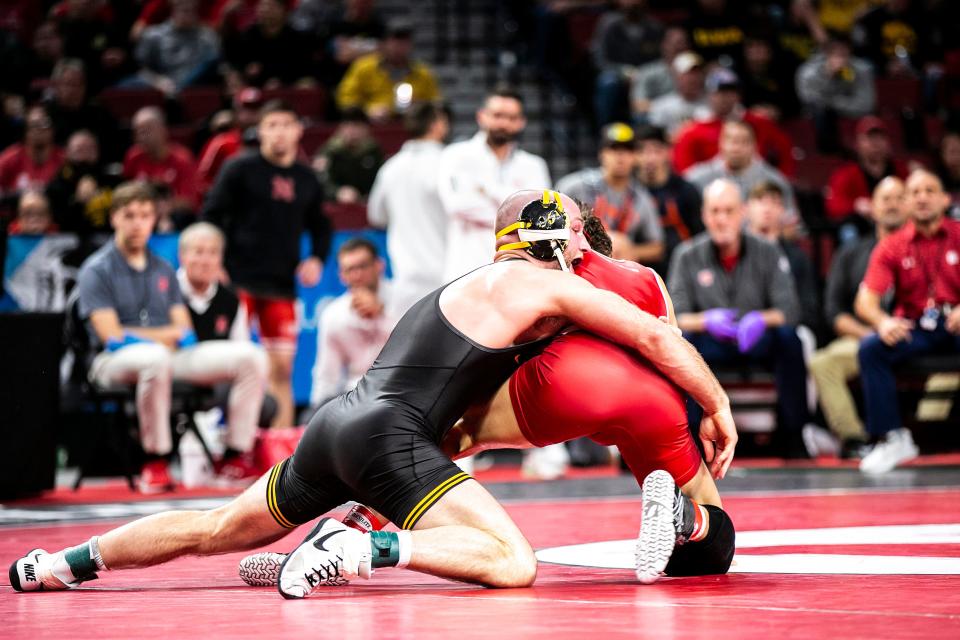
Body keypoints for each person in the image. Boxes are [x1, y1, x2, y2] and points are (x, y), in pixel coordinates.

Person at [10, 189, 735, 596]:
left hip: (336, 426)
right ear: (559, 244)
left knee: (212, 528)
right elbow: (657, 338)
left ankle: (62, 564)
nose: (583, 252)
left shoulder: (470, 281)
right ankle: (366, 547)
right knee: (515, 563)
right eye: (576, 241)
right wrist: (720, 406)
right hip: (392, 435)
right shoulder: (547, 284)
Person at [238, 211, 737, 585]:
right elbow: (666, 344)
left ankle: (337, 541)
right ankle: (683, 516)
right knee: (716, 538)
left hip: (570, 380)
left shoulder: (545, 271)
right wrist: (715, 409)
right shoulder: (647, 279)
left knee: (444, 441)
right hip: (655, 399)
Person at [74, 183, 256, 492]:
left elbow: (184, 332)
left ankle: (233, 457)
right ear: (114, 218)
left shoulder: (162, 268)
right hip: (108, 362)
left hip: (168, 357)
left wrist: (151, 335)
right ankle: (154, 461)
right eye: (129, 215)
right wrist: (163, 336)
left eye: (145, 215)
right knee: (155, 358)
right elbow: (112, 336)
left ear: (153, 220)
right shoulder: (97, 269)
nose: (137, 223)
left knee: (250, 357)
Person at [202, 99, 332, 429]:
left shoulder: (307, 178)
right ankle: (235, 444)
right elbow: (211, 216)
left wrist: (316, 257)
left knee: (281, 371)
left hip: (281, 285)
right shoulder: (239, 168)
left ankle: (282, 455)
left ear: (298, 131)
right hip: (238, 282)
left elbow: (320, 224)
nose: (279, 133)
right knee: (238, 367)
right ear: (260, 131)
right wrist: (215, 260)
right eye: (272, 125)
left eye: (286, 125)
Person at [669, 179, 809, 457]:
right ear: (704, 215)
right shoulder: (686, 255)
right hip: (709, 344)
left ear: (742, 212)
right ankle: (692, 441)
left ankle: (794, 434)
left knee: (790, 339)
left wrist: (760, 319)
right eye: (715, 211)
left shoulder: (768, 251)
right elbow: (675, 317)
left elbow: (790, 310)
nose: (722, 219)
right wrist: (706, 320)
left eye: (729, 211)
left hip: (756, 340)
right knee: (681, 344)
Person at [854, 170, 960, 473]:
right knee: (871, 347)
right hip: (916, 327)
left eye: (930, 190)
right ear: (907, 201)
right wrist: (882, 322)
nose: (922, 197)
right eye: (914, 192)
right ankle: (892, 437)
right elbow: (866, 301)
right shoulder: (892, 245)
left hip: (956, 323)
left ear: (944, 199)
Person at [809, 177, 907, 458]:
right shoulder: (851, 253)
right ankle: (856, 440)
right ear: (872, 208)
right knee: (822, 362)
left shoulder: (922, 249)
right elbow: (833, 312)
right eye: (885, 199)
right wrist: (871, 334)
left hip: (916, 334)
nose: (892, 205)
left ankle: (923, 430)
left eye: (899, 198)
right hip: (864, 337)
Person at [177, 221, 270, 482]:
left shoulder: (230, 298)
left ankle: (236, 456)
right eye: (198, 251)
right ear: (182, 255)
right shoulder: (167, 290)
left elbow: (240, 346)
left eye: (212, 252)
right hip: (176, 368)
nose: (205, 260)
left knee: (267, 402)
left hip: (220, 379)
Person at [437, 87, 550, 281]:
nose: (504, 123)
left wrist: (484, 190)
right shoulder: (456, 156)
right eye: (498, 115)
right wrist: (515, 211)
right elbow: (457, 206)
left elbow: (540, 219)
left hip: (517, 273)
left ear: (522, 122)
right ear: (482, 116)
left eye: (512, 118)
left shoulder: (534, 165)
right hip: (465, 270)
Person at [367, 102, 450, 314]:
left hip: (406, 278)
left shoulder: (391, 167)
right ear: (437, 125)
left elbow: (376, 216)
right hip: (449, 276)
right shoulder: (449, 163)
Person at [555, 122, 663, 264]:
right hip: (576, 263)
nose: (620, 156)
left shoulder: (641, 197)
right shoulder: (574, 186)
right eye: (614, 149)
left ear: (636, 157)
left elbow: (657, 247)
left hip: (616, 269)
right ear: (602, 154)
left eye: (627, 150)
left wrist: (625, 249)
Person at [310, 237, 397, 407]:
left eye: (363, 266)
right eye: (350, 270)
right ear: (341, 276)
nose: (357, 275)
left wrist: (381, 314)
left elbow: (418, 349)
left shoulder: (403, 299)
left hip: (402, 390)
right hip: (356, 396)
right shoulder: (333, 314)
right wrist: (316, 414)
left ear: (379, 266)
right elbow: (327, 375)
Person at [672, 68, 795, 177]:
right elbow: (684, 168)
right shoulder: (694, 130)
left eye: (730, 92)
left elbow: (785, 150)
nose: (725, 97)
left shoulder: (759, 122)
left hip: (756, 187)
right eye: (720, 92)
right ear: (709, 95)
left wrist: (781, 179)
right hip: (714, 191)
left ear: (738, 95)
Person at [745, 181, 819, 332]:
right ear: (746, 209)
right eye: (760, 201)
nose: (767, 209)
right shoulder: (732, 251)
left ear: (783, 210)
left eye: (774, 203)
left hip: (786, 327)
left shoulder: (797, 258)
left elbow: (809, 308)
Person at [685, 120, 798, 219]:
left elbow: (791, 225)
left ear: (754, 145)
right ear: (720, 143)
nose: (736, 148)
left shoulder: (774, 181)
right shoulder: (695, 179)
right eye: (731, 140)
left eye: (743, 142)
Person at [335, 20, 440, 122]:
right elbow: (345, 98)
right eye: (395, 42)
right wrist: (367, 111)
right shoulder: (364, 68)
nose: (400, 48)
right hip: (370, 127)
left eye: (404, 42)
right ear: (384, 43)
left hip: (411, 128)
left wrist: (419, 107)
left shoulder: (423, 73)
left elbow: (436, 103)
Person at [634, 125, 703, 276]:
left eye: (656, 151)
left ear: (668, 153)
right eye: (642, 151)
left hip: (684, 269)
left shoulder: (686, 190)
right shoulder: (630, 192)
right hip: (639, 270)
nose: (649, 158)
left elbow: (700, 236)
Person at [824, 115, 908, 233]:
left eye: (880, 138)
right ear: (858, 143)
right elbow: (832, 206)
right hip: (862, 229)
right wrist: (855, 205)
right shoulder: (846, 174)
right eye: (870, 139)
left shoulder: (901, 170)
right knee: (848, 231)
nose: (875, 144)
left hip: (897, 224)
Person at [796, 34, 875, 152]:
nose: (839, 59)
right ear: (825, 53)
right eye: (834, 52)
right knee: (819, 112)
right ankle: (827, 153)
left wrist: (833, 103)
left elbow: (866, 105)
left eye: (843, 53)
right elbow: (809, 100)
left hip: (853, 116)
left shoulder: (861, 70)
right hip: (821, 118)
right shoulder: (808, 72)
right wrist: (828, 76)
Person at [591, 0, 664, 125]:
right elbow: (599, 59)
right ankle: (605, 129)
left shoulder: (655, 27)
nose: (632, 3)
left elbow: (660, 59)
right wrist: (624, 72)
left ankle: (646, 132)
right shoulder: (608, 24)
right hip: (616, 74)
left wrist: (642, 74)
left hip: (646, 75)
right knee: (608, 82)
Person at [129, 0, 220, 95]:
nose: (187, 13)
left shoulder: (207, 36)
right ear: (173, 8)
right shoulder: (154, 36)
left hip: (198, 91)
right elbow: (140, 70)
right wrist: (157, 81)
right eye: (183, 9)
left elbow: (217, 67)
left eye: (191, 9)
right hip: (163, 90)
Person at [123, 106, 200, 214]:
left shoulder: (182, 159)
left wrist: (163, 205)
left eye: (147, 130)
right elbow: (125, 194)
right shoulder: (133, 156)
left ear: (163, 130)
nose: (142, 137)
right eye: (138, 132)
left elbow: (190, 202)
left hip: (173, 216)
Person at [45, 129, 116, 235]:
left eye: (90, 149)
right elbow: (58, 222)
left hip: (107, 238)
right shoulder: (58, 183)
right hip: (70, 241)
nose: (85, 155)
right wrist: (78, 202)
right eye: (79, 150)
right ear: (67, 153)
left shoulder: (111, 179)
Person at [197, 87, 263, 193]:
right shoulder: (222, 142)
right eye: (246, 109)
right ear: (236, 112)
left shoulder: (271, 143)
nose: (251, 115)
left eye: (255, 109)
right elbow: (200, 180)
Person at [313, 107, 383, 204]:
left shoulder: (374, 152)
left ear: (366, 129)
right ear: (341, 128)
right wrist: (337, 192)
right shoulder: (329, 151)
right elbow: (320, 180)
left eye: (358, 126)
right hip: (337, 205)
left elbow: (381, 179)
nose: (353, 131)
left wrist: (372, 194)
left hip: (367, 204)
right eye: (348, 126)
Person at [0, 104, 64, 197]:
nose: (38, 130)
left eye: (44, 124)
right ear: (26, 131)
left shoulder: (63, 159)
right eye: (33, 125)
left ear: (52, 129)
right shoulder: (10, 158)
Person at [630, 26, 691, 122]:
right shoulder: (647, 72)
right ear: (664, 45)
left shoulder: (696, 71)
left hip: (691, 116)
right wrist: (669, 107)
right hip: (658, 121)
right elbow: (638, 105)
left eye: (684, 43)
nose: (681, 47)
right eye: (676, 43)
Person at [647, 51, 710, 137]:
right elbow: (655, 137)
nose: (694, 78)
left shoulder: (712, 104)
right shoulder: (661, 106)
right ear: (676, 76)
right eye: (688, 74)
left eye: (697, 72)